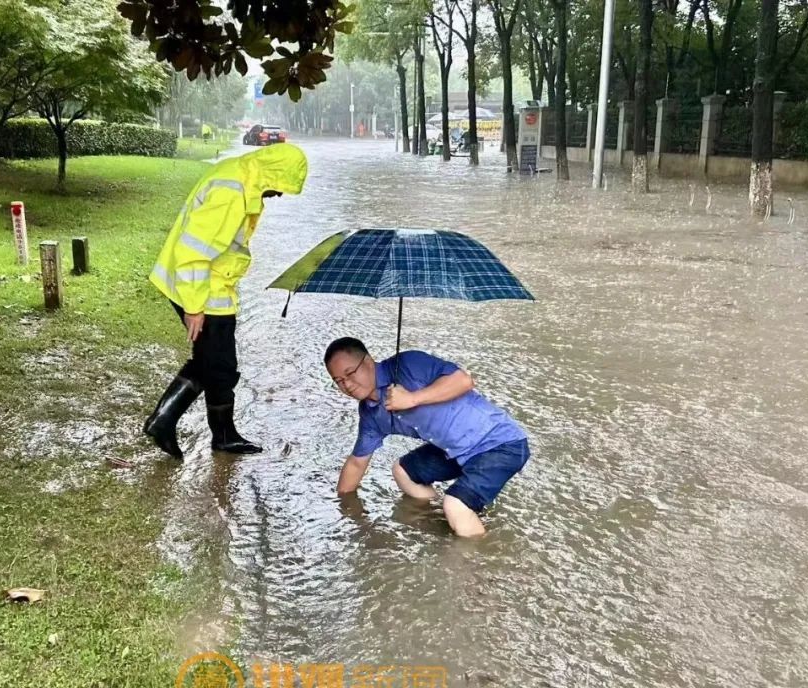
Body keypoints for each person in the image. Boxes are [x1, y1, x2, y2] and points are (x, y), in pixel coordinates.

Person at [143, 143, 308, 460]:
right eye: (280, 187)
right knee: (217, 364)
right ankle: (172, 423)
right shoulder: (231, 191)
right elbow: (194, 250)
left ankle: (215, 432)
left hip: (213, 287)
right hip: (200, 290)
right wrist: (194, 307)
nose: (280, 195)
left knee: (215, 363)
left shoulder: (242, 178)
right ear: (271, 174)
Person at [323, 337, 530, 537]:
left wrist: (413, 398)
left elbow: (464, 380)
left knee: (455, 505)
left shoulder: (408, 364)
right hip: (455, 451)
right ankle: (449, 519)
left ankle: (480, 560)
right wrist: (341, 506)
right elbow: (356, 464)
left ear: (368, 361)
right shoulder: (371, 413)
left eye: (350, 373)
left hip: (499, 443)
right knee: (402, 471)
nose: (347, 385)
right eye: (339, 381)